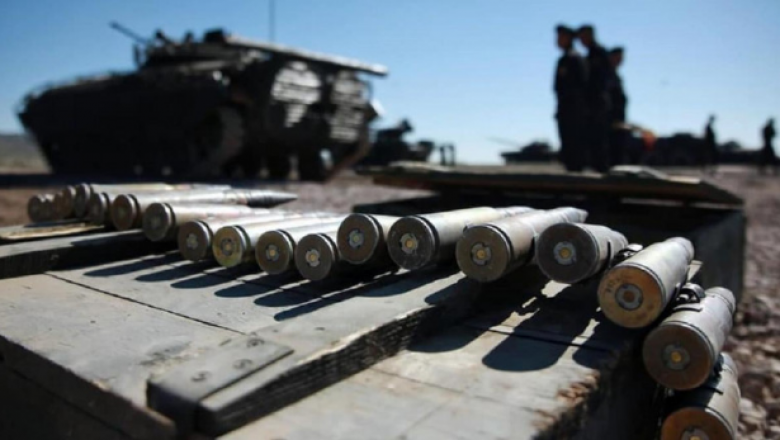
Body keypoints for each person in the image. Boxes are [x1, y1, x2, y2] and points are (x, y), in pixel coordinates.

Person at [577, 25, 612, 172]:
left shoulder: (599, 53)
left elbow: (602, 80)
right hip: (592, 103)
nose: (581, 40)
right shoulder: (590, 55)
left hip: (598, 103)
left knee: (599, 140)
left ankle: (601, 171)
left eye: (582, 36)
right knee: (592, 140)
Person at [553, 25, 588, 172]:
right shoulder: (566, 59)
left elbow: (580, 87)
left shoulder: (573, 59)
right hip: (567, 109)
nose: (557, 40)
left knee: (574, 149)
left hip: (573, 111)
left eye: (561, 37)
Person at [607, 47, 627, 166]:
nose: (620, 60)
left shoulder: (616, 76)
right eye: (618, 57)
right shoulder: (607, 75)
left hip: (618, 120)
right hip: (610, 120)